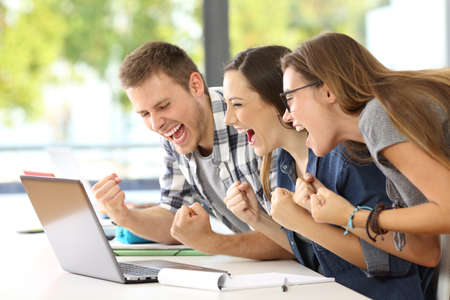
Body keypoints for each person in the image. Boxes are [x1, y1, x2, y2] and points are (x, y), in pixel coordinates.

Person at [222, 45, 438, 299]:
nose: (228, 118)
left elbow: (401, 258)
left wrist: (314, 221)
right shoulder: (285, 164)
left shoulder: (350, 154)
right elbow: (316, 253)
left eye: (237, 104)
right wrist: (259, 219)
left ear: (276, 102)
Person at [92, 41, 292, 260]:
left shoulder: (250, 121)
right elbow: (172, 216)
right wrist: (123, 216)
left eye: (163, 106)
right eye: (144, 114)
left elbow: (295, 240)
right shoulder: (175, 132)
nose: (156, 124)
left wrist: (213, 242)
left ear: (196, 86)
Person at [279, 32, 449, 251]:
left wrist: (353, 216)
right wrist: (344, 216)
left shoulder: (377, 117)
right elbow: (426, 247)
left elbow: (447, 212)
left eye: (290, 98)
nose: (287, 116)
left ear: (328, 91)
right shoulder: (378, 122)